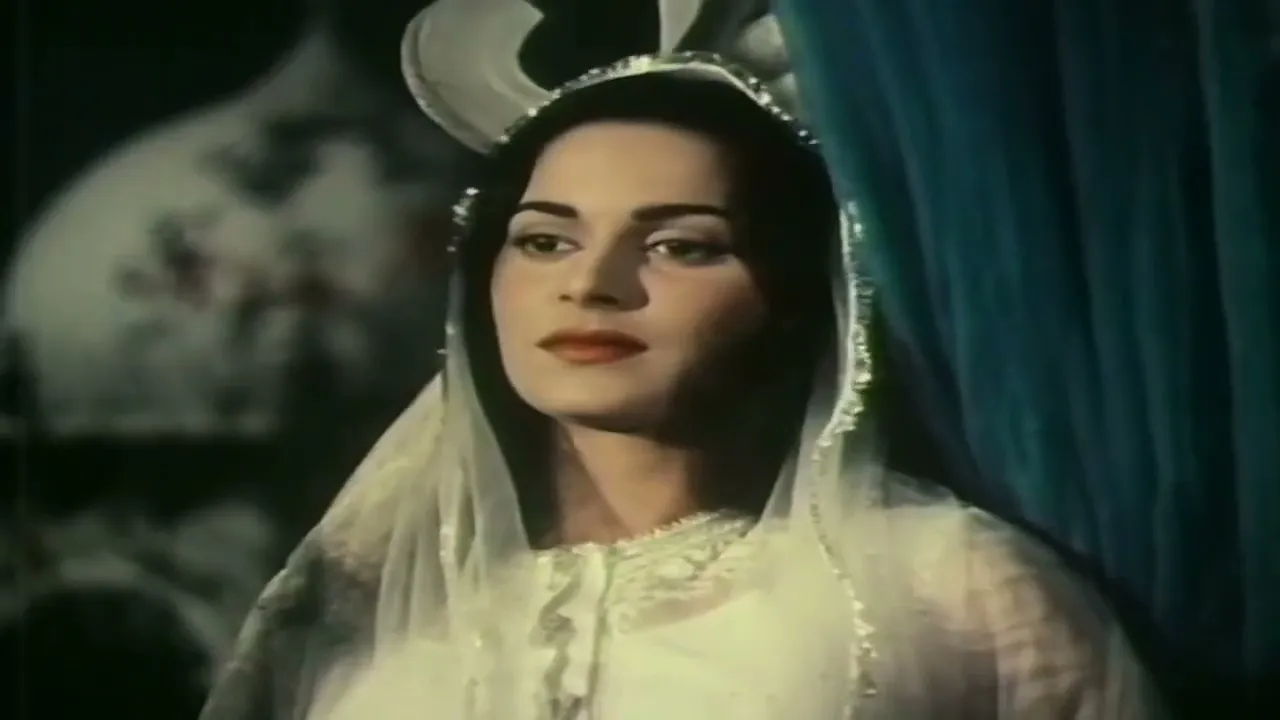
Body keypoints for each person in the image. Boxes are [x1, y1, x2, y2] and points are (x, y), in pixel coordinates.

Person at [199, 53, 1164, 719]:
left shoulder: (941, 578)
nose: (593, 283)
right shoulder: (364, 604)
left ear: (790, 296)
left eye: (680, 245)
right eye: (545, 240)